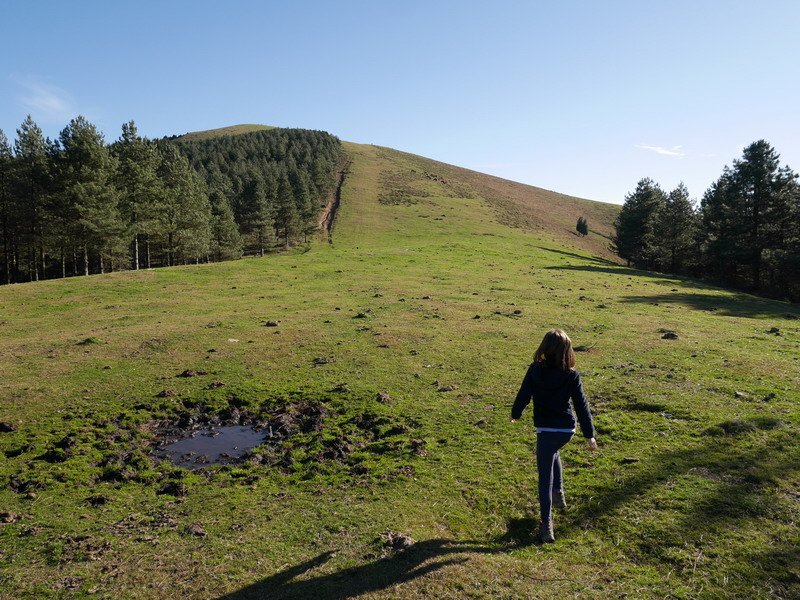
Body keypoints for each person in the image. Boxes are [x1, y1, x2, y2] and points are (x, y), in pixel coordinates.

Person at [511, 329, 597, 543]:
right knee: (554, 451)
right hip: (567, 431)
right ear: (566, 351)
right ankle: (558, 492)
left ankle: (546, 523)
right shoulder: (571, 374)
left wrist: (516, 413)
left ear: (544, 348)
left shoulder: (535, 371)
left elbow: (524, 394)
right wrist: (589, 435)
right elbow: (581, 406)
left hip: (546, 430)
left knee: (544, 479)